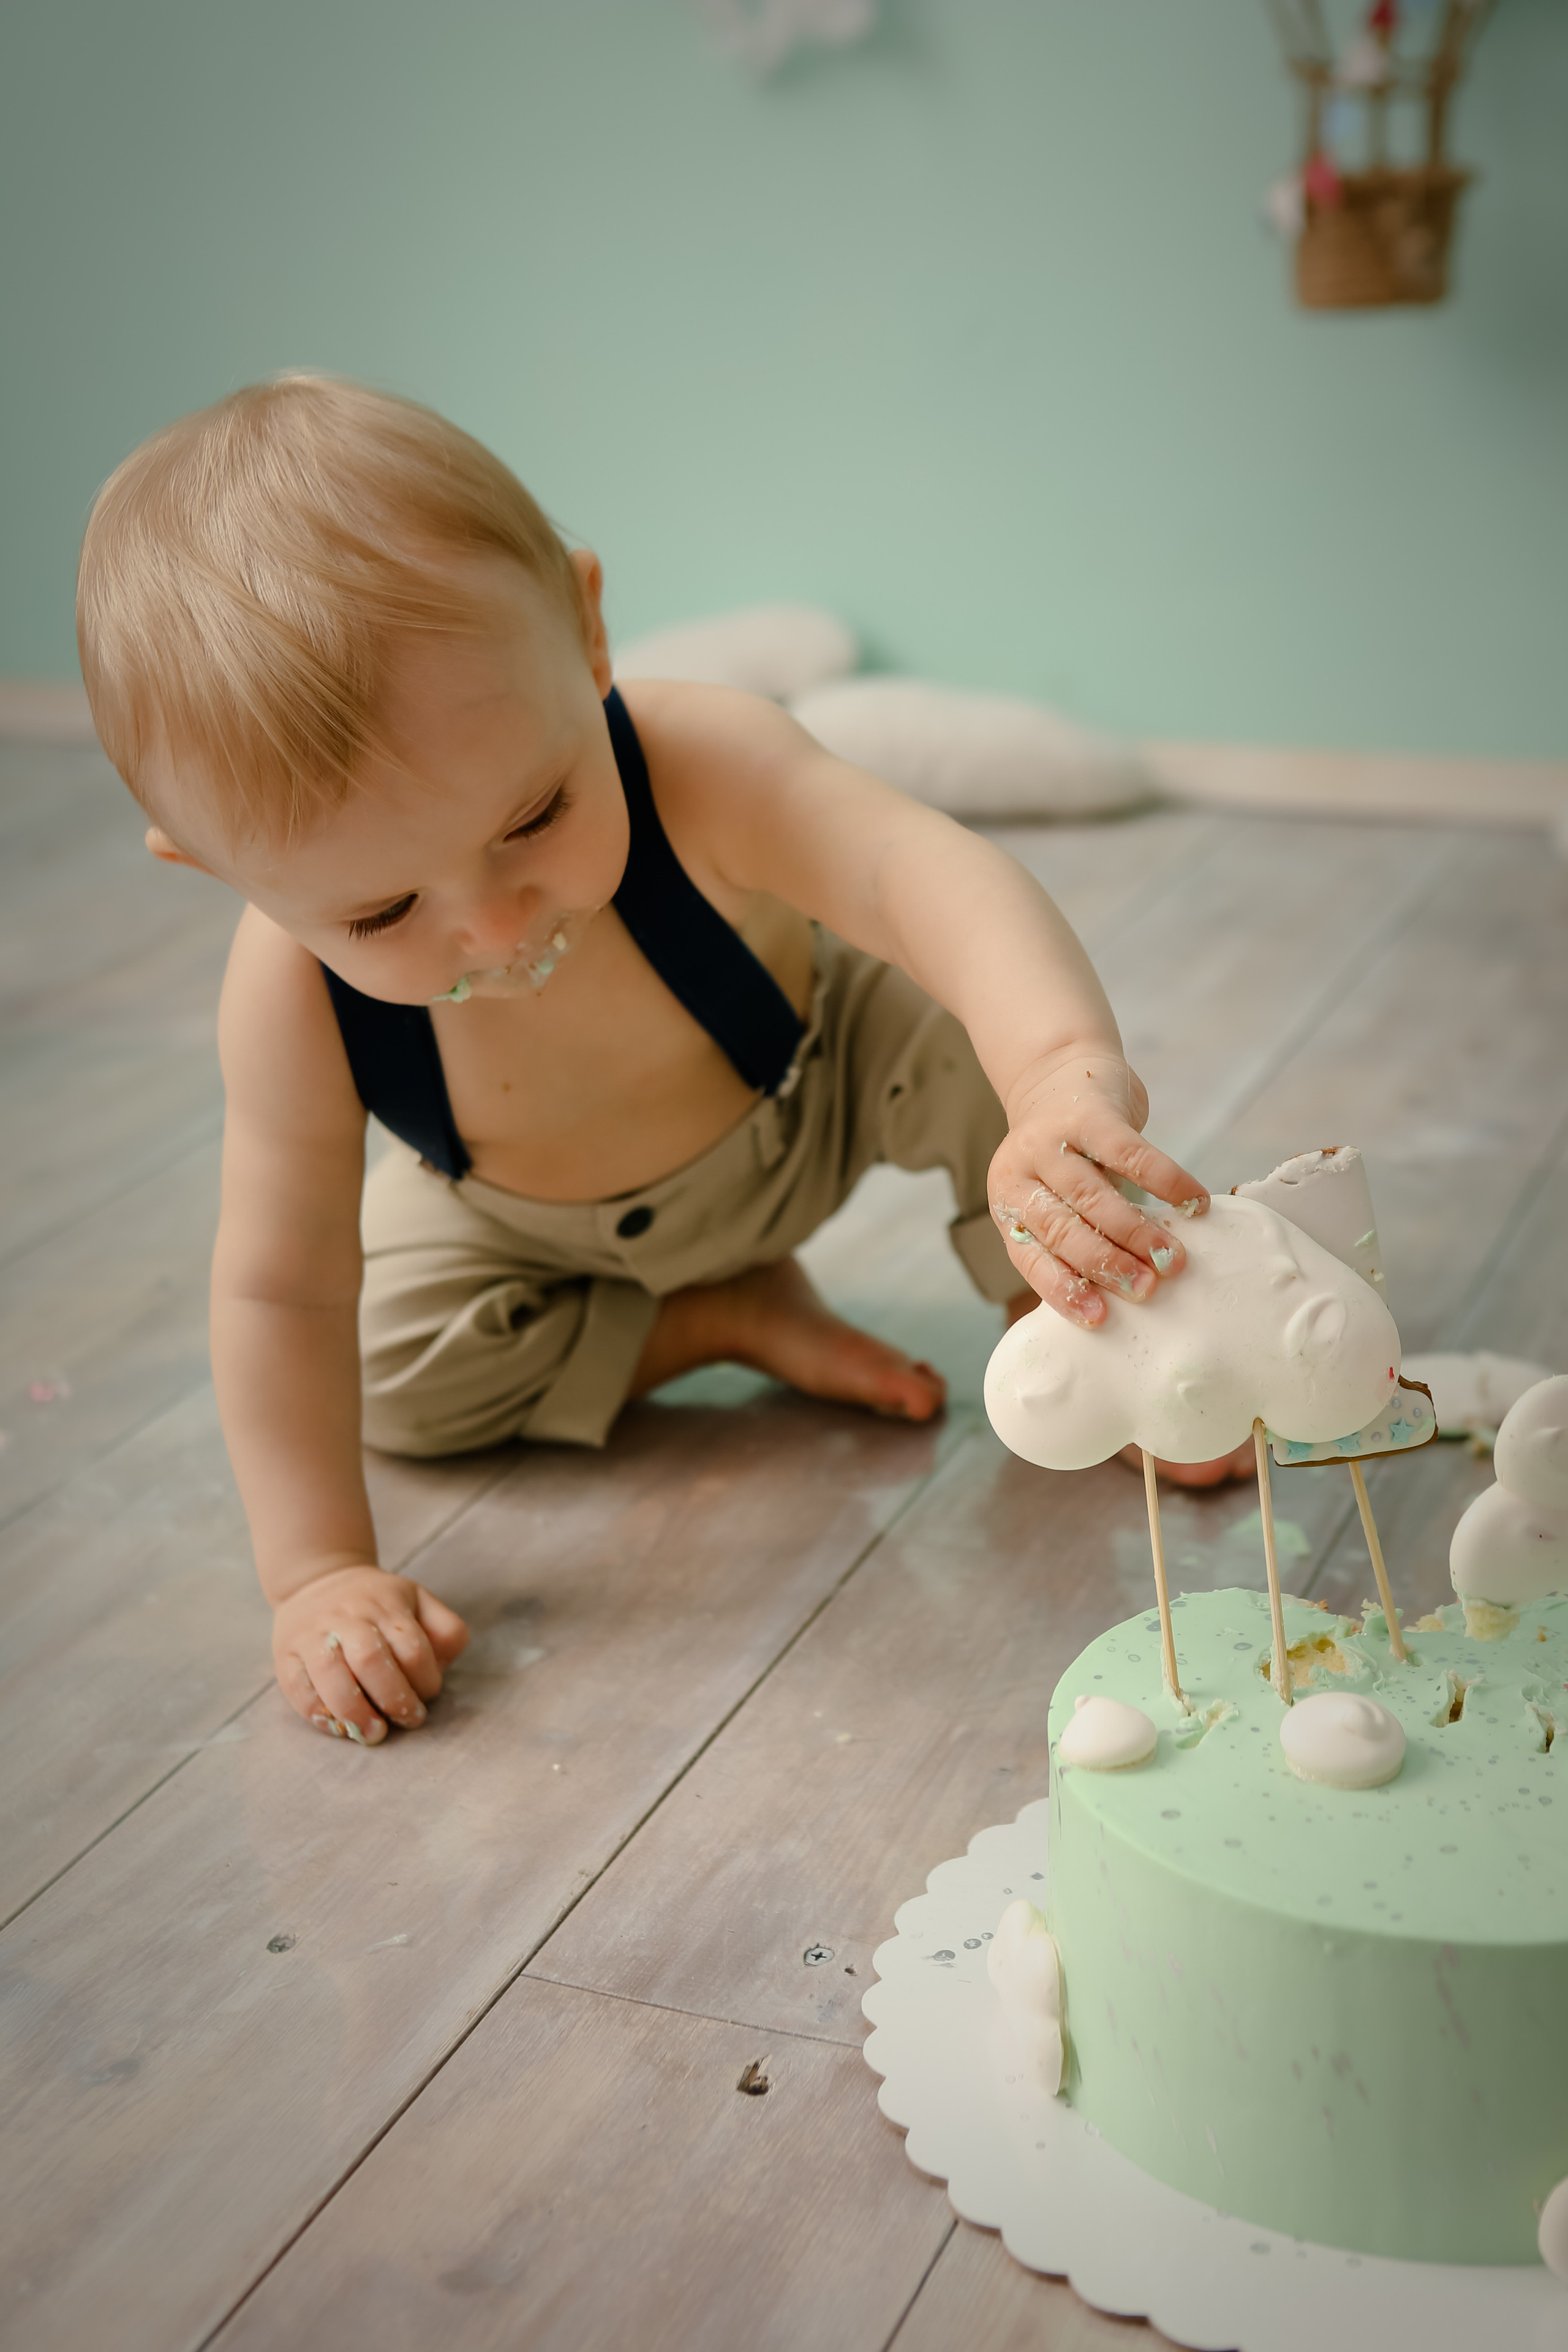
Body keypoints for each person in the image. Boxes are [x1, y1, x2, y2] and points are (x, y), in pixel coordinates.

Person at [76, 375, 1238, 1751]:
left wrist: (1053, 1071)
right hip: (526, 1231)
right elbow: (281, 1287)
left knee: (956, 1035)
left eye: (533, 815)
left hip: (814, 1093)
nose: (495, 925)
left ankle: (1069, 1327)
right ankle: (716, 1320)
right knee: (391, 1372)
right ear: (219, 870)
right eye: (381, 914)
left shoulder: (697, 764)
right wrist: (316, 1568)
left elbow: (915, 872)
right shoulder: (283, 997)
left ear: (586, 632)